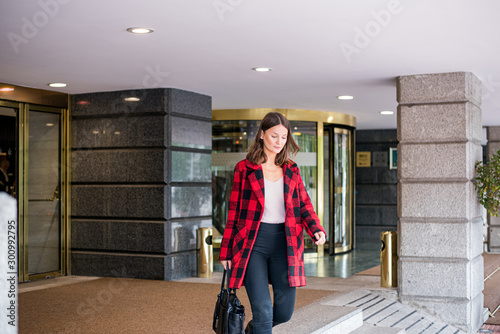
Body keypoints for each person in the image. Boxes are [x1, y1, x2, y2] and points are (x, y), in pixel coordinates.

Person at [219, 112, 326, 334]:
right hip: (252, 244)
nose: (279, 142)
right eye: (274, 136)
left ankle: (253, 330)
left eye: (284, 137)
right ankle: (260, 326)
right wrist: (226, 250)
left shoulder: (292, 170)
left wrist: (316, 229)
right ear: (261, 135)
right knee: (263, 312)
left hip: (285, 244)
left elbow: (304, 204)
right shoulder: (244, 169)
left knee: (284, 313)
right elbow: (234, 212)